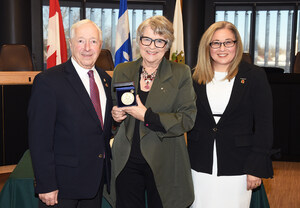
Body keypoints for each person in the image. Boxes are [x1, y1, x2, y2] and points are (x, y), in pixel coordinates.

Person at [110, 15, 196, 208]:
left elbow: (187, 119)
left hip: (164, 159)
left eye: (159, 41)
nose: (152, 46)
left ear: (167, 45)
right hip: (127, 161)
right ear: (139, 41)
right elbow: (115, 108)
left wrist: (146, 116)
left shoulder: (181, 73)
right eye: (147, 39)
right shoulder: (122, 70)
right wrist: (116, 115)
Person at [187, 21, 274, 208]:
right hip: (199, 165)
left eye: (228, 42)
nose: (222, 48)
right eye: (216, 43)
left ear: (237, 44)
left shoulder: (254, 75)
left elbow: (264, 125)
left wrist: (256, 167)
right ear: (207, 47)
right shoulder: (193, 77)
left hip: (239, 166)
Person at [28, 19, 112, 208]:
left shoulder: (105, 79)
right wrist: (46, 184)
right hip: (62, 186)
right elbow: (39, 138)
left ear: (100, 45)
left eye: (93, 41)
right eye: (81, 41)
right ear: (70, 43)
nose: (87, 48)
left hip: (95, 182)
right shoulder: (48, 81)